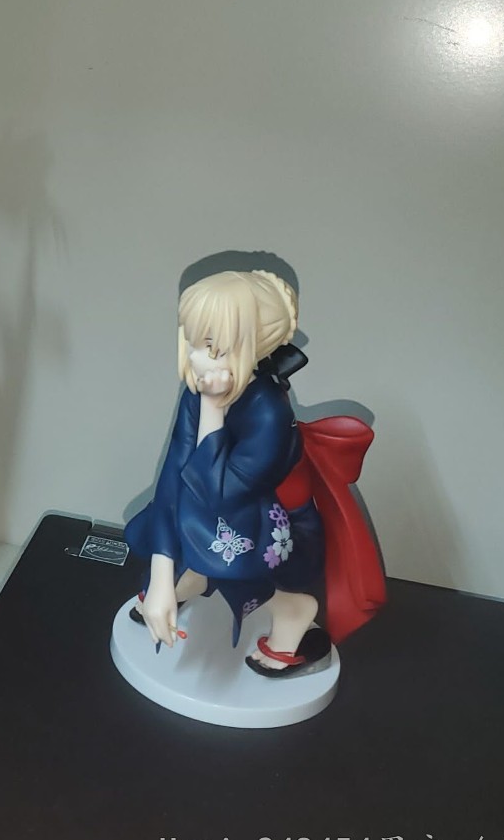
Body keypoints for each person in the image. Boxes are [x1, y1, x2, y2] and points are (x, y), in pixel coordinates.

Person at [124, 270, 385, 677]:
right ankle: (189, 575)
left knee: (221, 540)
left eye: (212, 347)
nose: (195, 358)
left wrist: (213, 411)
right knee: (170, 508)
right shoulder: (200, 389)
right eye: (193, 341)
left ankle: (292, 608)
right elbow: (175, 475)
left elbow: (218, 497)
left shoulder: (269, 411)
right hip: (217, 505)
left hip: (271, 523)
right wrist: (160, 575)